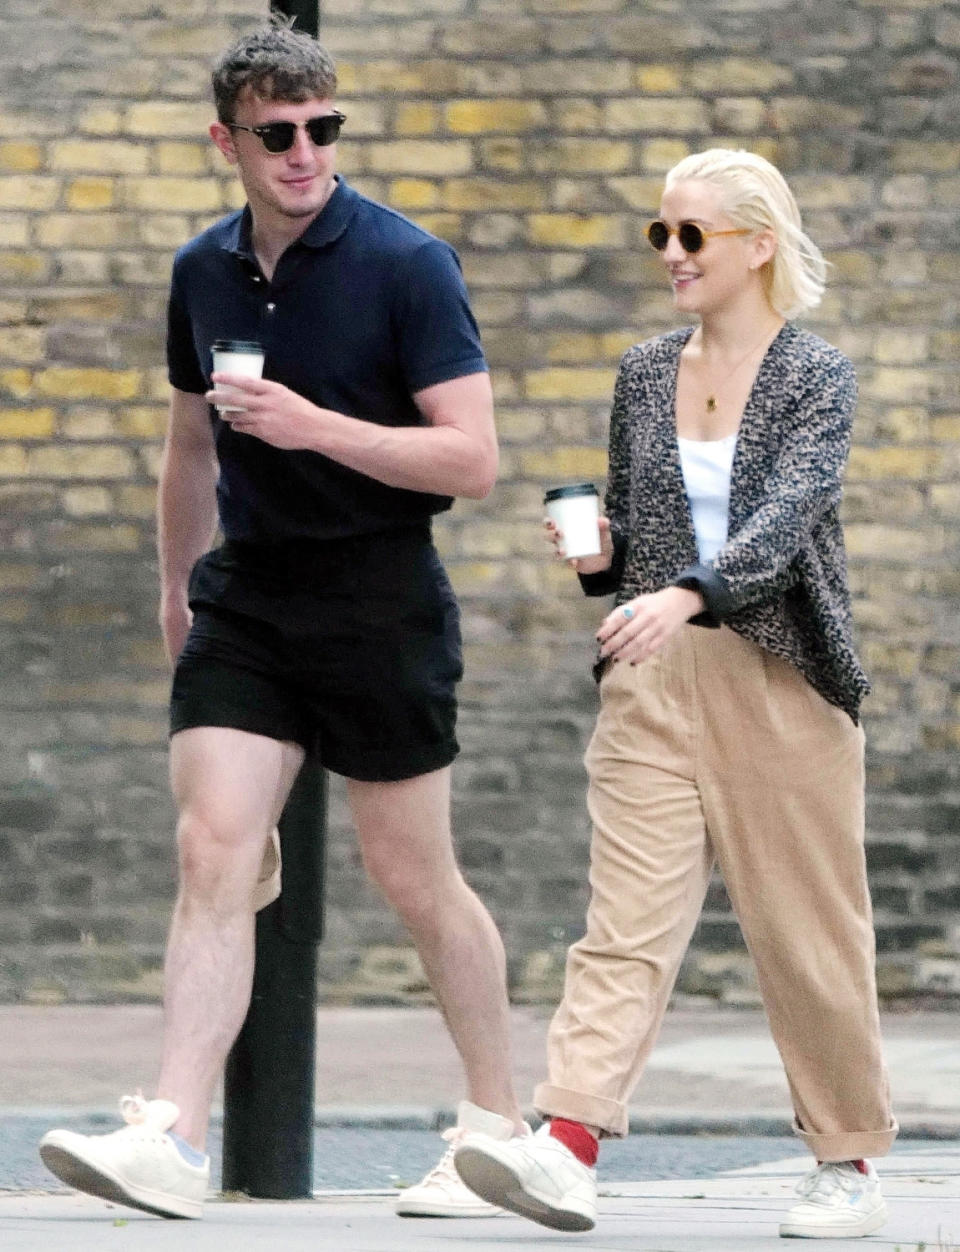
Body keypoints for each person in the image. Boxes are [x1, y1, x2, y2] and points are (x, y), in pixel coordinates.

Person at [38, 18, 526, 1221]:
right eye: (277, 134)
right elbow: (189, 442)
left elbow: (471, 461)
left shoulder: (409, 264)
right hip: (248, 599)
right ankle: (172, 1133)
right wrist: (174, 586)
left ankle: (496, 1126)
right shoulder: (202, 272)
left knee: (413, 876)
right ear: (229, 142)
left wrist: (318, 428)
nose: (304, 153)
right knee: (213, 849)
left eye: (322, 129)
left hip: (379, 595)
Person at [453, 148, 897, 1240]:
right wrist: (601, 562)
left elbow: (786, 524)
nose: (671, 254)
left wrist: (689, 595)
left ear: (757, 245)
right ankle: (569, 1142)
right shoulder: (645, 371)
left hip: (780, 676)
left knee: (806, 934)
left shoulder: (815, 377)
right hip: (652, 675)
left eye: (692, 234)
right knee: (623, 927)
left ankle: (846, 1161)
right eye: (661, 232)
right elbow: (632, 547)